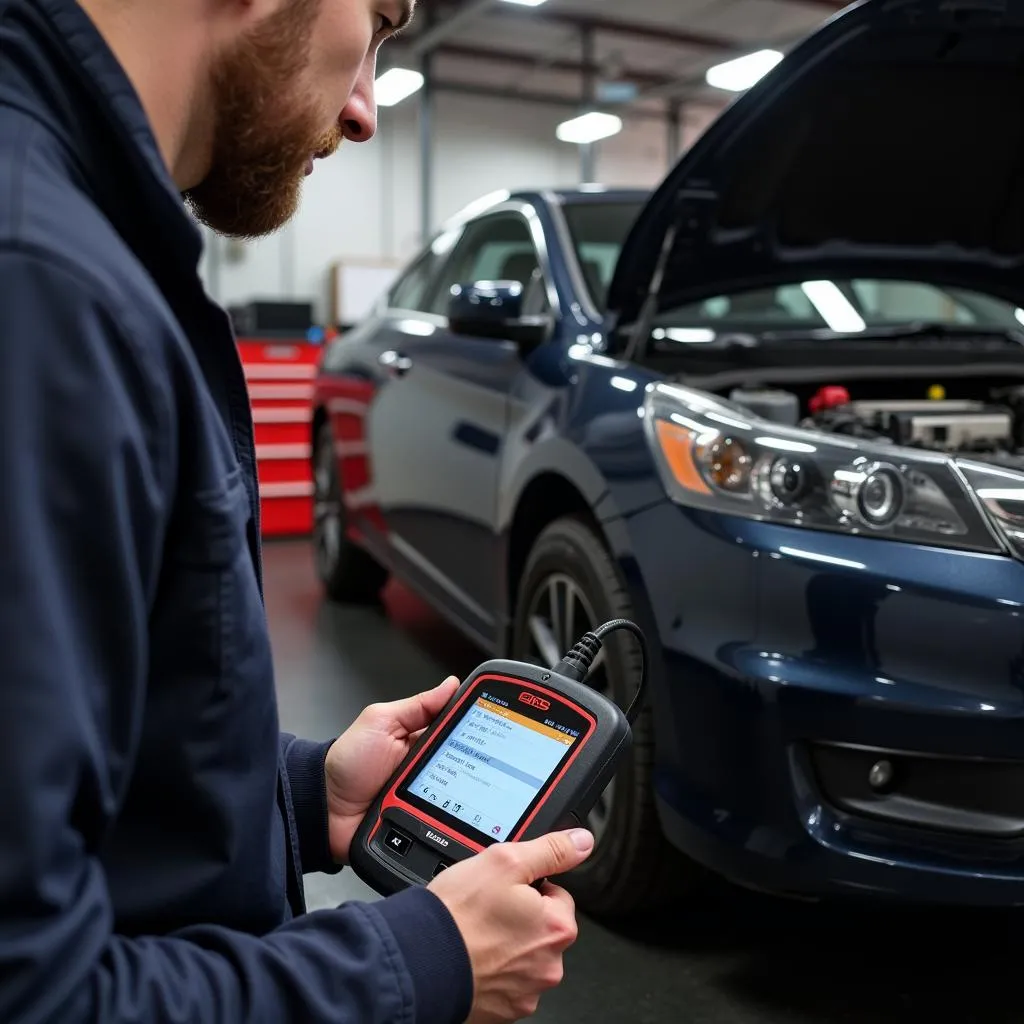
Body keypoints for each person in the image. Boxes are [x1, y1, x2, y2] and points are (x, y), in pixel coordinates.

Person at [0, 0, 595, 1021]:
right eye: (380, 17)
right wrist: (418, 965)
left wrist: (299, 792)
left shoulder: (77, 235)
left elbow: (83, 769)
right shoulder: (42, 287)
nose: (365, 108)